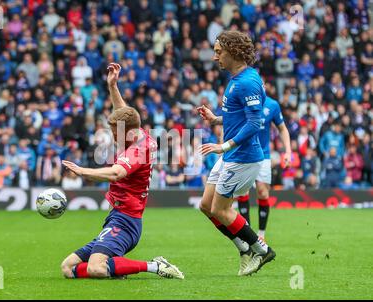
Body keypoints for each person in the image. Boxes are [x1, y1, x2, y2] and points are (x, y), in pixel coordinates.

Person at [60, 63, 184, 280]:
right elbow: (125, 114)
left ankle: (155, 266)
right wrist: (113, 86)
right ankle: (117, 267)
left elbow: (116, 173)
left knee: (95, 269)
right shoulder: (138, 133)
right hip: (115, 218)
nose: (113, 135)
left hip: (126, 221)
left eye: (115, 131)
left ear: (127, 131)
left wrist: (82, 171)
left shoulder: (138, 150)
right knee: (68, 268)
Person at [197, 30, 275, 276]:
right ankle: (244, 248)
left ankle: (261, 250)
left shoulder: (248, 82)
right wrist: (216, 120)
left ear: (233, 52)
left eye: (219, 52)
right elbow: (238, 117)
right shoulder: (237, 79)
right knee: (206, 206)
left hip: (243, 157)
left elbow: (255, 123)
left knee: (221, 210)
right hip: (231, 155)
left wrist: (225, 145)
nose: (215, 57)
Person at [199, 95, 292, 241]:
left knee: (262, 192)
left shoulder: (272, 105)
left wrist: (288, 151)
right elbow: (233, 119)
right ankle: (247, 232)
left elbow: (283, 129)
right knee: (242, 194)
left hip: (264, 154)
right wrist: (217, 122)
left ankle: (261, 234)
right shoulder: (244, 100)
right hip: (242, 154)